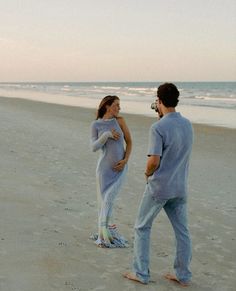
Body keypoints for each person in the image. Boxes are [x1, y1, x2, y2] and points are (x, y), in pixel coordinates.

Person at [123, 83, 193, 286]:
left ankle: (141, 273)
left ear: (159, 101)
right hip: (179, 187)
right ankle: (183, 275)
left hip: (160, 187)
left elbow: (154, 160)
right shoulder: (187, 124)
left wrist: (147, 173)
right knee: (182, 231)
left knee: (142, 227)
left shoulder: (158, 127)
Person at [90, 95, 132, 248]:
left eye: (119, 105)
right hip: (103, 171)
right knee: (104, 203)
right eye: (116, 105)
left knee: (108, 199)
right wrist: (107, 135)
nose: (119, 108)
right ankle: (105, 233)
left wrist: (125, 160)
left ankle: (105, 234)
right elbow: (94, 147)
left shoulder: (120, 121)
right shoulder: (96, 125)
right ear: (107, 106)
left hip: (120, 169)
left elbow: (130, 142)